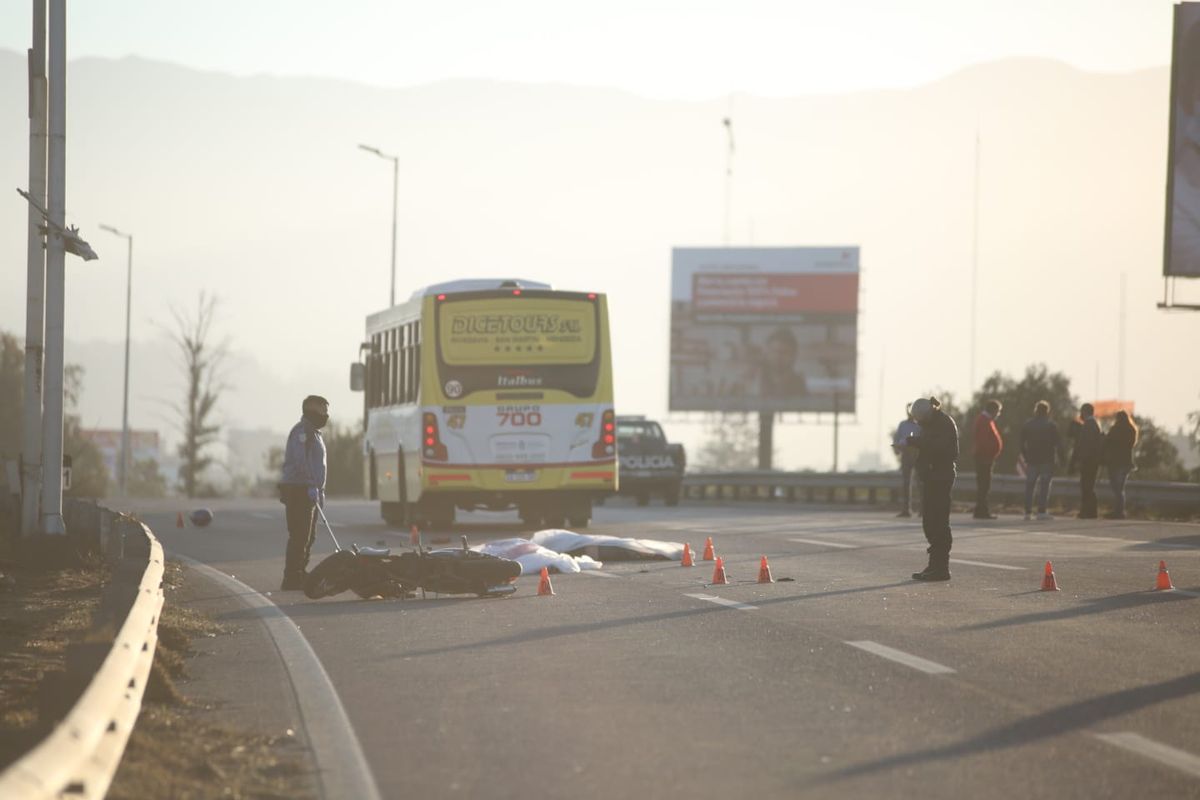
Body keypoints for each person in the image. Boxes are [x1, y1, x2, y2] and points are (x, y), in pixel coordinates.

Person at [278, 395, 329, 590]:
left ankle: (300, 571)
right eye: (322, 410)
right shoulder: (302, 432)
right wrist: (310, 484)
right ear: (311, 411)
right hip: (299, 490)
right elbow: (301, 461)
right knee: (299, 535)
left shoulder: (314, 433)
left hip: (310, 491)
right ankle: (291, 577)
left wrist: (319, 490)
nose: (326, 415)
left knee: (309, 536)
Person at [907, 396, 958, 581]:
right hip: (931, 476)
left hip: (941, 476)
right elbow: (929, 447)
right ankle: (933, 565)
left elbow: (942, 449)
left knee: (939, 521)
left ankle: (941, 566)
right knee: (929, 520)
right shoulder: (930, 424)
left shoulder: (944, 423)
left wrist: (918, 442)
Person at [1019, 400, 1064, 521]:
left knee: (1030, 485)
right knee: (1044, 486)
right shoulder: (1051, 425)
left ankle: (1027, 512)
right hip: (1047, 459)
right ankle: (1041, 511)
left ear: (1036, 410)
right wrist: (1061, 460)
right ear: (1047, 411)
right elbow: (1058, 444)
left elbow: (1021, 444)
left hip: (1032, 459)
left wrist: (1026, 456)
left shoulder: (1028, 424)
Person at [1069, 403, 1104, 519]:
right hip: (1093, 460)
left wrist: (1080, 460)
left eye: (1081, 411)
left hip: (1089, 461)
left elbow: (1085, 445)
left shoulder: (1089, 424)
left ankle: (1087, 511)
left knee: (1086, 486)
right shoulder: (1094, 424)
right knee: (1088, 486)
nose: (1080, 414)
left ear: (1085, 411)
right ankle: (1090, 511)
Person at [1103, 410, 1139, 519]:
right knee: (1121, 487)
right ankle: (1120, 510)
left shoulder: (1116, 429)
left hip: (1116, 462)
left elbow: (1108, 442)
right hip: (1127, 462)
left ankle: (1118, 511)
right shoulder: (1132, 430)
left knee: (1116, 488)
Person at [971, 399, 1003, 519]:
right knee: (984, 485)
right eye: (998, 411)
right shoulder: (984, 420)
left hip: (984, 457)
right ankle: (981, 511)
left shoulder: (984, 419)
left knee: (984, 485)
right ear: (993, 410)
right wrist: (989, 454)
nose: (998, 414)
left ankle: (980, 510)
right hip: (984, 457)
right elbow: (983, 441)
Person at [757, 327, 807, 398]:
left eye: (784, 352)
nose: (778, 356)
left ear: (793, 356)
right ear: (767, 352)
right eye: (774, 351)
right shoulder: (755, 380)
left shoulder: (799, 384)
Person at [892, 404, 922, 518]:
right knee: (906, 482)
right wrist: (897, 448)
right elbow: (897, 438)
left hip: (917, 455)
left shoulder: (920, 425)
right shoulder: (902, 425)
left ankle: (922, 509)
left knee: (920, 483)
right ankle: (906, 509)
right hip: (906, 454)